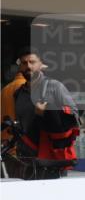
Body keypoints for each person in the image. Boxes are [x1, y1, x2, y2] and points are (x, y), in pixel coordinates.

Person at [10, 47, 80, 175]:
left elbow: (75, 117)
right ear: (20, 67)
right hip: (27, 160)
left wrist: (49, 113)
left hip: (52, 160)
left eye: (32, 62)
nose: (28, 66)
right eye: (24, 63)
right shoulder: (18, 93)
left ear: (41, 64)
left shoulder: (54, 86)